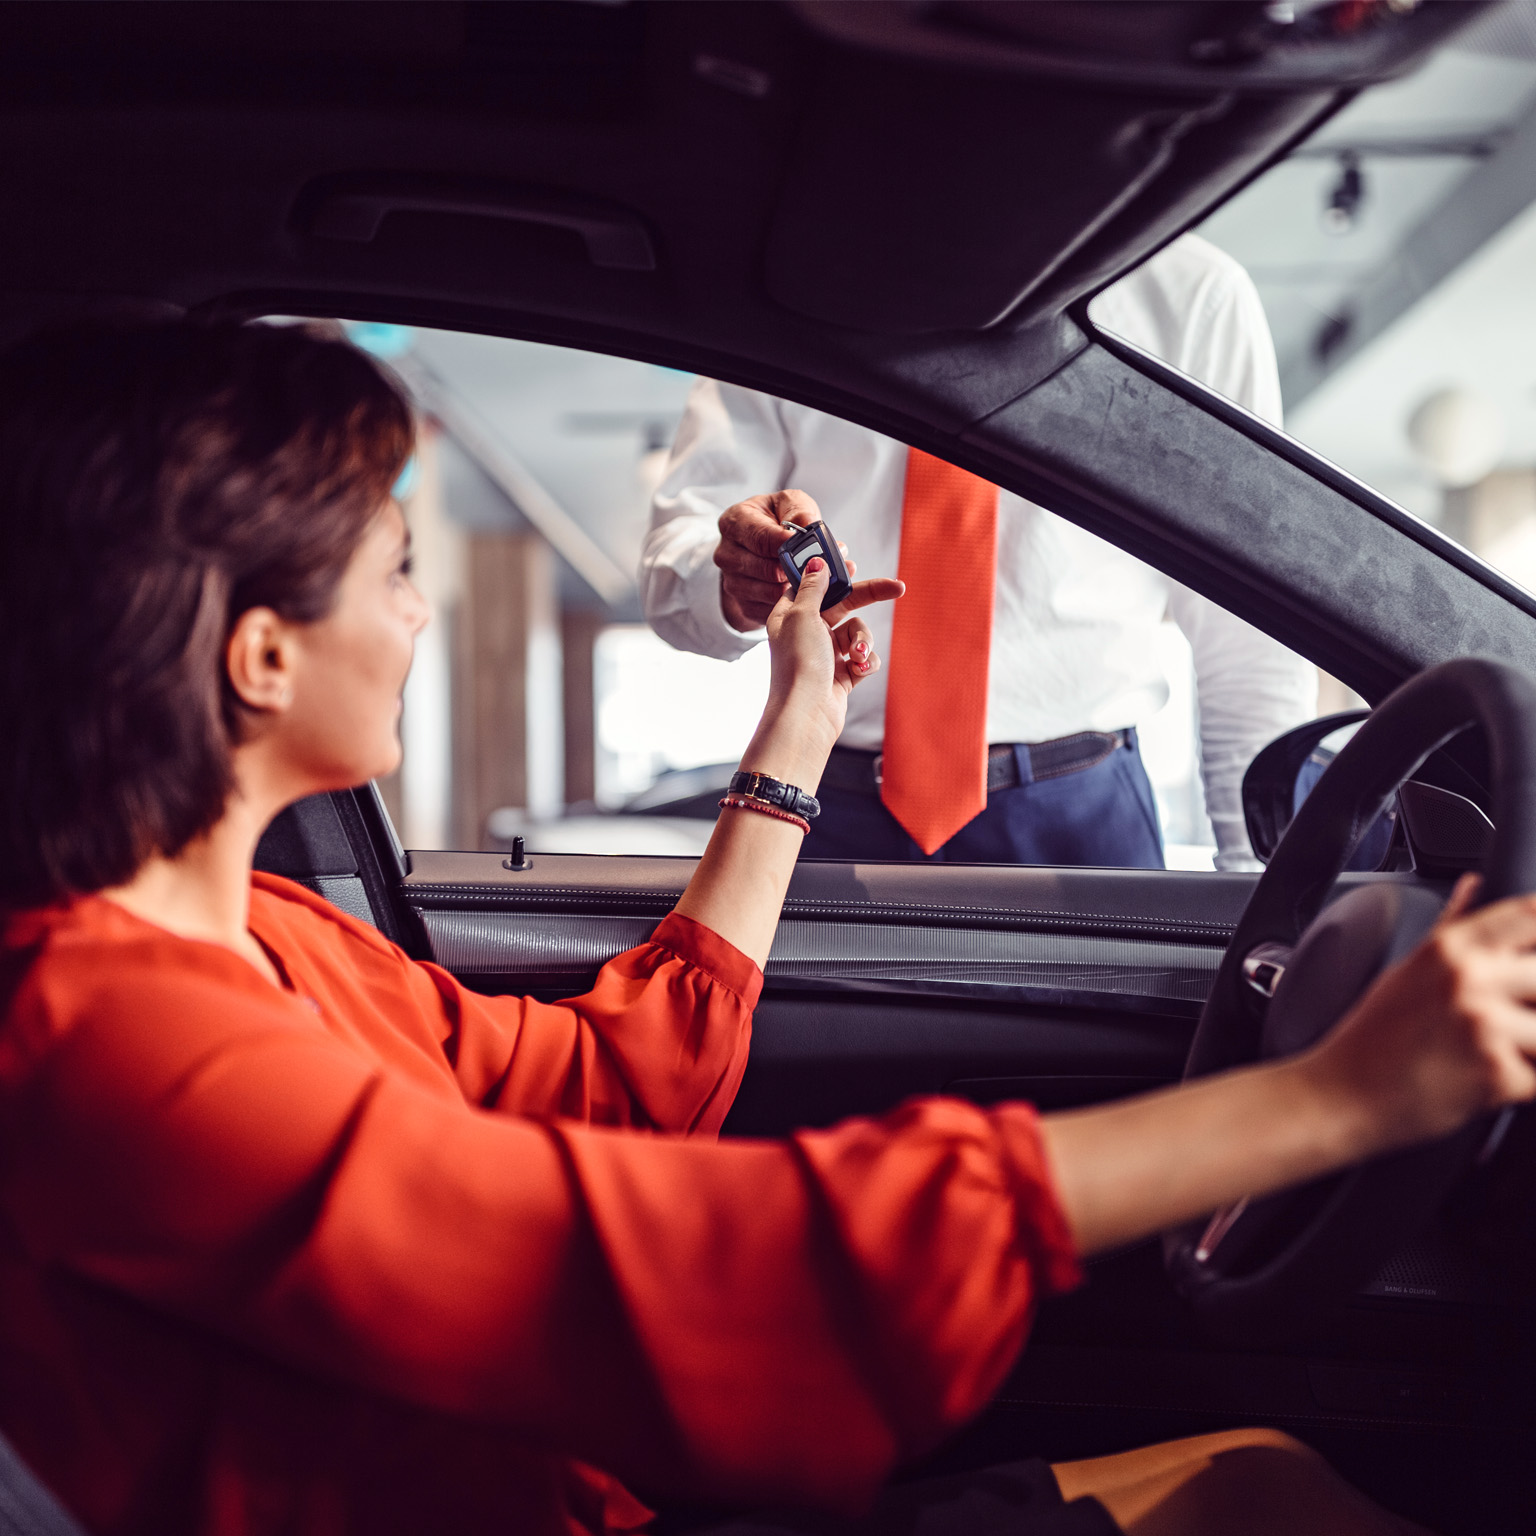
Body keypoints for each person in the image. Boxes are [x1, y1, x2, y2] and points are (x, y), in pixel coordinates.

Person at [0, 319, 1529, 1536]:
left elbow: (623, 1071)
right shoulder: (115, 1046)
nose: (418, 611)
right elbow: (715, 1272)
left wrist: (804, 715)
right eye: (400, 568)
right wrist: (1335, 1099)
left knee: (1256, 1478)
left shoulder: (263, 940)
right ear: (262, 656)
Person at [639, 234, 1317, 870]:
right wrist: (733, 583)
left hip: (1082, 819)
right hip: (823, 803)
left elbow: (1247, 634)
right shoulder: (788, 285)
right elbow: (677, 564)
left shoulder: (1191, 294)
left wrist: (1264, 891)